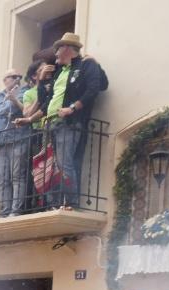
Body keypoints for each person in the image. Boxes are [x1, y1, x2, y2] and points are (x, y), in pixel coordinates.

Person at [33, 33, 106, 209]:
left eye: (58, 48)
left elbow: (96, 87)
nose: (55, 52)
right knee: (51, 165)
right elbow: (46, 100)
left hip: (69, 123)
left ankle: (70, 202)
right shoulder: (59, 73)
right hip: (50, 124)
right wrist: (42, 82)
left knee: (65, 163)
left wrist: (72, 108)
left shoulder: (84, 65)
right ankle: (53, 203)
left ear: (67, 48)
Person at [0, 69, 29, 217]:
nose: (17, 78)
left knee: (17, 175)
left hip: (18, 138)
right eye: (13, 76)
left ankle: (16, 210)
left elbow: (11, 107)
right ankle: (5, 211)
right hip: (0, 142)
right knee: (2, 179)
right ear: (5, 80)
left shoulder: (23, 91)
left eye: (19, 76)